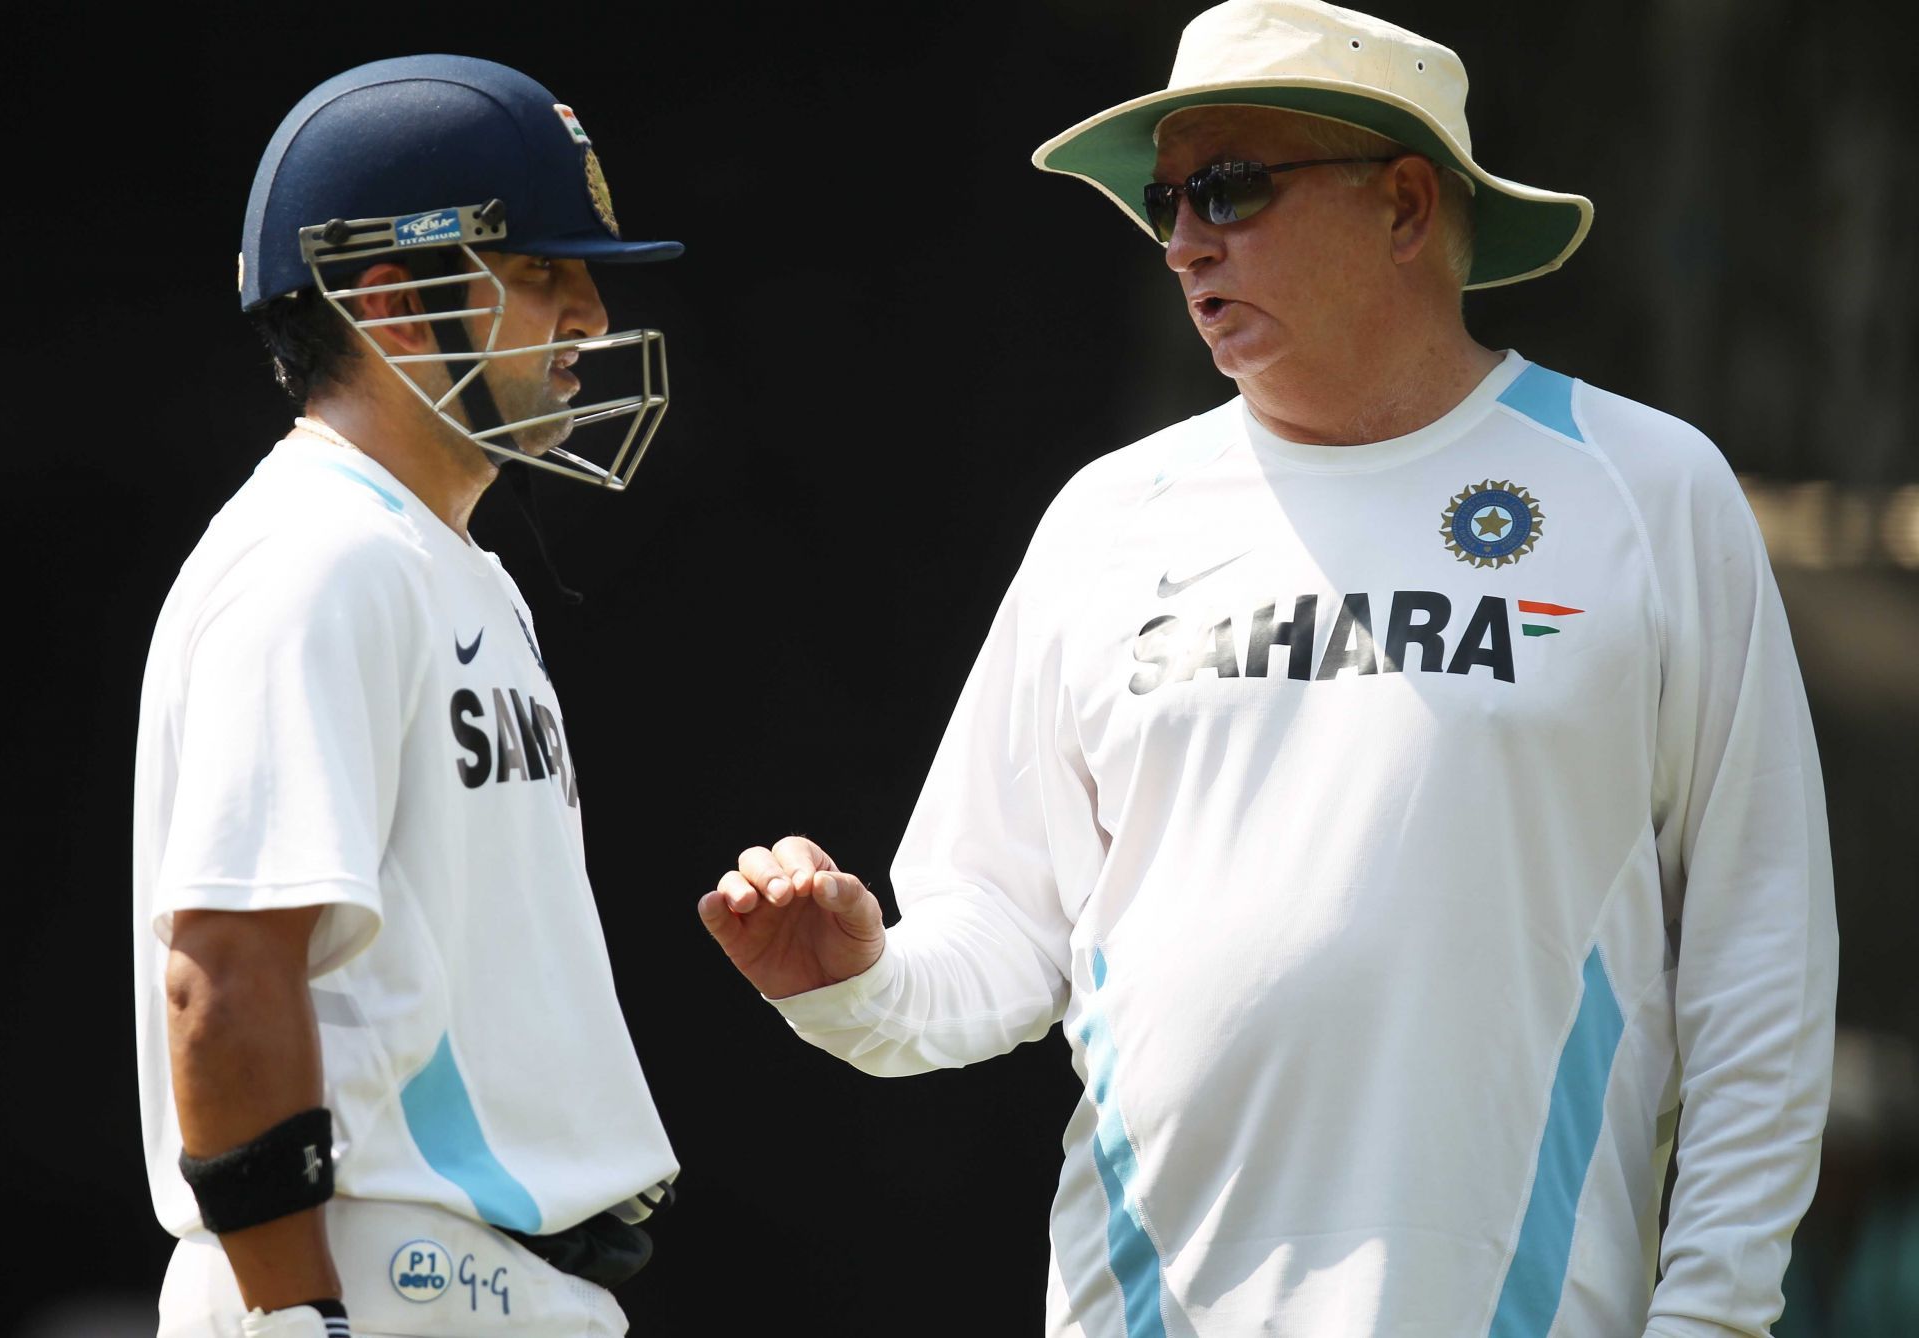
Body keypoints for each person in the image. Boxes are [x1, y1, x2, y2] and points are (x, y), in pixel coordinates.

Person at [698, 2, 1837, 1334]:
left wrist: (1712, 1318)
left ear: (1406, 205)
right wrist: (858, 980)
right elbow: (1005, 921)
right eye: (1163, 201)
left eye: (1229, 188)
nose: (1182, 240)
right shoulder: (1108, 516)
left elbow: (1761, 958)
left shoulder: (1647, 489)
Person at [134, 56, 679, 1338]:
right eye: (542, 272)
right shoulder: (320, 556)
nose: (591, 316)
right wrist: (293, 1320)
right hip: (376, 1277)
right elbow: (226, 965)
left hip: (469, 1279)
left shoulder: (447, 566)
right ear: (393, 301)